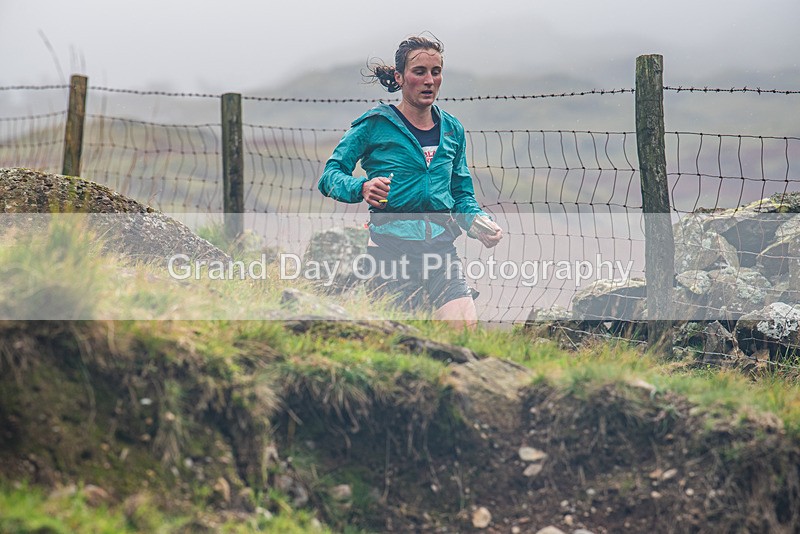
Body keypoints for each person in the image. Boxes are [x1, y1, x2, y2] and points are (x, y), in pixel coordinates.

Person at [318, 35, 503, 329]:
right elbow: (330, 176)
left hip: (441, 251)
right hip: (390, 252)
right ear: (400, 77)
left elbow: (461, 195)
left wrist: (478, 222)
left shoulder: (452, 129)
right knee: (404, 340)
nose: (429, 80)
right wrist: (361, 187)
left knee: (465, 331)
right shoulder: (374, 125)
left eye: (436, 72)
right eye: (419, 72)